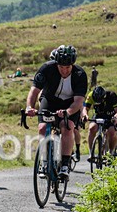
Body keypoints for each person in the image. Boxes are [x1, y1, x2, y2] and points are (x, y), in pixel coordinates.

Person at [25, 45, 87, 181]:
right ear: (56, 63)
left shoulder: (80, 74)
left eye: (68, 67)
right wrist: (29, 107)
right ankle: (44, 161)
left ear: (73, 64)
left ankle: (64, 164)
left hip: (70, 104)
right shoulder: (46, 69)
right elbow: (34, 91)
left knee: (67, 126)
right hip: (50, 100)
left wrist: (67, 112)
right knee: (42, 128)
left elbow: (78, 101)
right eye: (61, 67)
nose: (64, 70)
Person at [84, 85, 117, 158]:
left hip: (110, 116)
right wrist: (85, 115)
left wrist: (116, 117)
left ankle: (111, 152)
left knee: (112, 132)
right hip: (98, 115)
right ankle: (91, 153)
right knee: (92, 128)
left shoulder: (112, 95)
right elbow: (85, 108)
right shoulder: (90, 95)